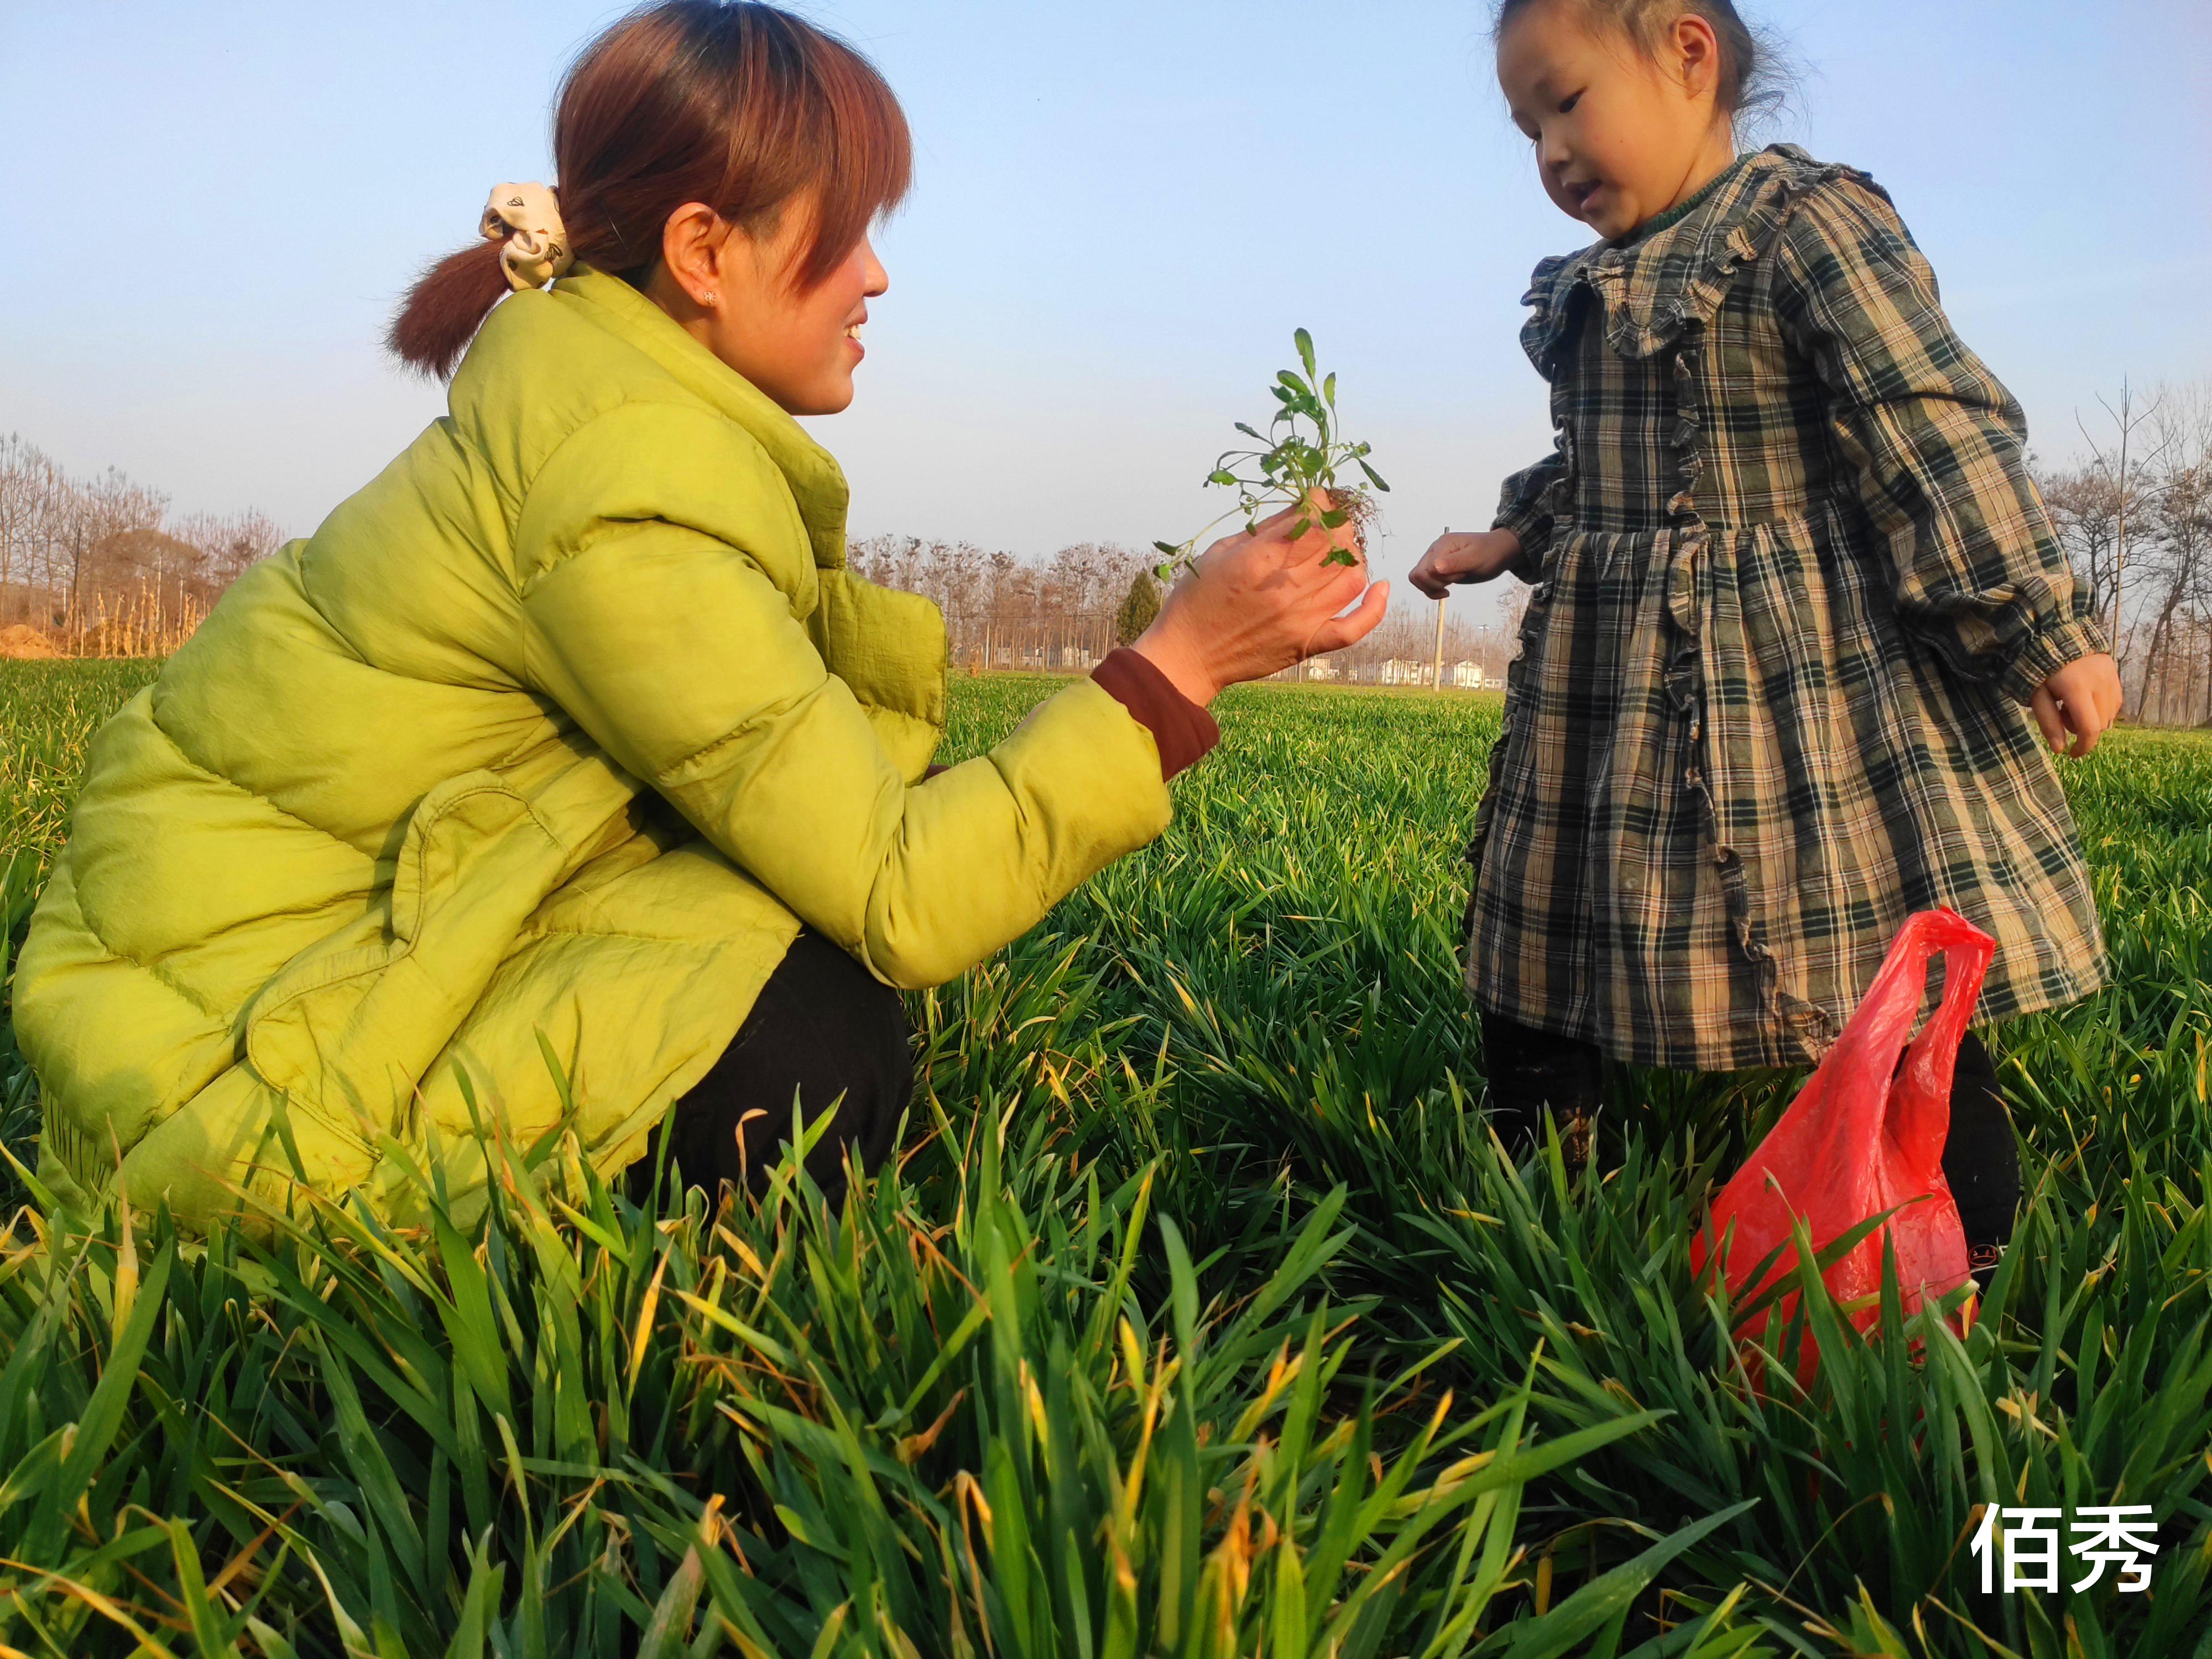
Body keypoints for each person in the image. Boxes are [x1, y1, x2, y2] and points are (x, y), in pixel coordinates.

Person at [14, 0, 1386, 1229]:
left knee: (793, 977)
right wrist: (1181, 663)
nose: (877, 280)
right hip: (230, 1054)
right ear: (702, 252)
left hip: (227, 968)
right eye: (846, 236)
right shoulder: (624, 493)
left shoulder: (610, 419)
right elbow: (898, 888)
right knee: (811, 1062)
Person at [1409, 0, 2121, 1276]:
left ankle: (1953, 1205)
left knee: (1865, 926)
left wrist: (2036, 623)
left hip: (1806, 673)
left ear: (1686, 53)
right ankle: (1539, 1154)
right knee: (1553, 903)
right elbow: (1599, 463)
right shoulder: (1586, 285)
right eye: (1525, 128)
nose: (1550, 156)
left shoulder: (1804, 226)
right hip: (1608, 679)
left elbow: (1929, 430)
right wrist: (1512, 531)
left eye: (1566, 103)